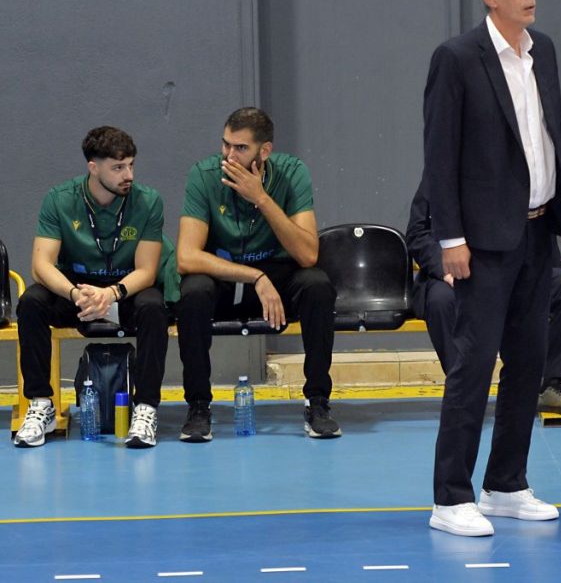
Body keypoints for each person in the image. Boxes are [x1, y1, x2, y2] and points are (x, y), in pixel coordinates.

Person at [421, 0, 561, 537]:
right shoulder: (457, 58)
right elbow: (440, 155)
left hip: (537, 234)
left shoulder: (544, 52)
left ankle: (506, 485)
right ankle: (450, 497)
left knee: (528, 363)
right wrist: (451, 237)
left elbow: (555, 137)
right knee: (472, 366)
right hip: (483, 241)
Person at [406, 178, 561, 415]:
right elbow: (417, 233)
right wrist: (445, 269)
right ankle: (465, 392)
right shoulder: (441, 173)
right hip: (457, 274)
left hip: (518, 273)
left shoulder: (525, 171)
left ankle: (549, 385)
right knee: (441, 300)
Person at [175, 107, 340, 441]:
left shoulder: (292, 173)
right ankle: (198, 406)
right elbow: (186, 257)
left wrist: (261, 198)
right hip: (227, 276)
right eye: (226, 145)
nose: (229, 155)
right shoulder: (204, 175)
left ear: (264, 151)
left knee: (318, 286)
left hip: (278, 276)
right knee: (192, 292)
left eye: (240, 148)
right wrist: (254, 277)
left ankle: (317, 402)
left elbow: (308, 254)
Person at [15, 126, 170, 448]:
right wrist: (76, 294)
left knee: (154, 306)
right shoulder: (59, 199)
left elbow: (147, 270)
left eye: (131, 165)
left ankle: (145, 408)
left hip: (125, 289)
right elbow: (41, 265)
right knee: (31, 302)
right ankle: (41, 404)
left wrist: (111, 294)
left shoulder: (148, 201)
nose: (128, 175)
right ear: (93, 167)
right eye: (118, 167)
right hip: (77, 291)